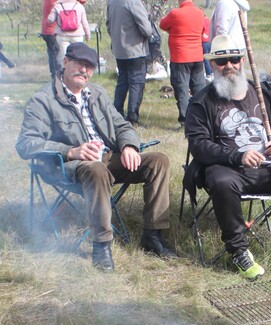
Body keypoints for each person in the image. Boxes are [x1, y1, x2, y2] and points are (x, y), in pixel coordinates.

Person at [16, 43, 176, 272]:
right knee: (97, 170)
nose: (84, 70)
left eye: (89, 66)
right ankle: (101, 245)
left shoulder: (97, 93)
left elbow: (121, 125)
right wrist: (69, 151)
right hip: (70, 165)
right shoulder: (43, 99)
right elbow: (25, 144)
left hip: (107, 157)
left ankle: (153, 235)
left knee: (158, 161)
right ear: (65, 62)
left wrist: (130, 146)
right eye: (79, 63)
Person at [185, 35, 271, 280]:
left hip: (270, 167)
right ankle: (238, 251)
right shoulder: (201, 101)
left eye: (234, 59)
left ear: (242, 60)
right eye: (222, 61)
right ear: (212, 65)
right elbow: (199, 146)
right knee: (222, 182)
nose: (229, 66)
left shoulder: (261, 92)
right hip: (227, 168)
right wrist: (237, 155)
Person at [106, 0, 153, 125]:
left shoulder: (111, 2)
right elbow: (147, 29)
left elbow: (108, 25)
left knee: (122, 81)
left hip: (119, 49)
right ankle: (132, 117)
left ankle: (116, 113)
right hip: (135, 49)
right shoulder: (134, 3)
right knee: (136, 83)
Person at [159, 0, 205, 126]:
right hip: (197, 57)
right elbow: (203, 30)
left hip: (180, 58)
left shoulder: (175, 13)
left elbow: (162, 24)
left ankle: (185, 120)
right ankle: (203, 117)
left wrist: (172, 30)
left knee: (182, 90)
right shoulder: (200, 13)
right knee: (199, 89)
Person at [48, 0, 91, 69]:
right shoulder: (79, 6)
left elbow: (50, 20)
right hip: (77, 36)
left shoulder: (57, 6)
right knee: (78, 56)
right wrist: (87, 35)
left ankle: (64, 74)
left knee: (63, 58)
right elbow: (85, 23)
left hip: (62, 36)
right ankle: (77, 73)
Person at [41, 0, 61, 77]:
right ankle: (55, 74)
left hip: (47, 30)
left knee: (52, 52)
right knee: (54, 52)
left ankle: (55, 73)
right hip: (50, 30)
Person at [202, 14, 212, 81]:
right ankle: (212, 72)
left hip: (204, 41)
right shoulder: (208, 20)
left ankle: (208, 74)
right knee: (210, 58)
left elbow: (202, 29)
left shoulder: (202, 20)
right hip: (210, 41)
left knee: (205, 59)